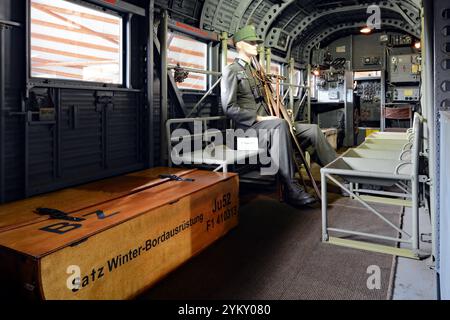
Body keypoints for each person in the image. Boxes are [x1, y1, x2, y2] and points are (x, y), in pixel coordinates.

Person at [220, 25, 338, 206]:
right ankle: (291, 187)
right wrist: (259, 119)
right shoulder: (231, 70)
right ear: (240, 45)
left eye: (257, 43)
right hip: (245, 134)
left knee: (312, 130)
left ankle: (342, 176)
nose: (256, 46)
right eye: (251, 42)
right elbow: (229, 107)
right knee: (281, 126)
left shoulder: (255, 71)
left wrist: (279, 111)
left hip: (270, 126)